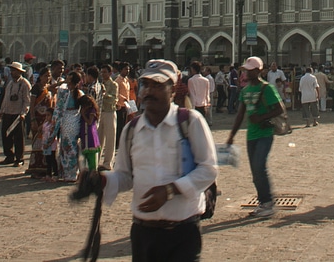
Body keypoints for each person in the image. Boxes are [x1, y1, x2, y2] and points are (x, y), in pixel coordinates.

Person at [99, 59, 218, 260]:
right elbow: (125, 177)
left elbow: (208, 169)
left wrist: (171, 190)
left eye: (158, 85)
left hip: (183, 232)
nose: (149, 91)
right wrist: (103, 181)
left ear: (172, 91)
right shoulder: (132, 129)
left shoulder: (190, 121)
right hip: (143, 232)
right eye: (145, 84)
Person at [227, 55, 285, 218]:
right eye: (246, 70)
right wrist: (232, 135)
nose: (247, 73)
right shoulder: (245, 90)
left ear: (259, 71)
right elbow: (240, 114)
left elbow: (279, 109)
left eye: (250, 70)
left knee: (260, 166)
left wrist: (260, 117)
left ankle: (268, 203)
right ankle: (263, 202)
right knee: (255, 170)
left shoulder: (266, 88)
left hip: (265, 133)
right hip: (251, 135)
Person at [0, 61, 31, 167]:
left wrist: (23, 113)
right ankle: (9, 156)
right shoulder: (10, 83)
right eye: (11, 70)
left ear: (19, 72)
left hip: (18, 114)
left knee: (18, 138)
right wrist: (1, 111)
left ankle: (19, 158)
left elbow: (27, 100)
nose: (12, 73)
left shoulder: (24, 84)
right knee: (6, 135)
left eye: (14, 71)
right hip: (8, 112)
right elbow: (6, 98)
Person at [54, 69, 84, 182]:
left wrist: (62, 83)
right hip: (74, 120)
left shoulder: (65, 93)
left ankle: (69, 173)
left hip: (67, 119)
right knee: (72, 146)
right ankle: (72, 172)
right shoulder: (79, 93)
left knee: (68, 147)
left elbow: (51, 88)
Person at [28, 70, 55, 178]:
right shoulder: (36, 88)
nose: (47, 78)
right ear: (40, 76)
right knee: (37, 144)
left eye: (49, 76)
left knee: (46, 143)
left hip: (46, 120)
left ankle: (44, 168)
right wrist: (33, 119)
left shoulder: (48, 88)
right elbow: (32, 104)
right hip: (37, 119)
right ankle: (35, 168)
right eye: (45, 76)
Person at [97, 64, 118, 171]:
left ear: (110, 73)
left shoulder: (113, 85)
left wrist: (104, 94)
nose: (102, 74)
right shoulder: (99, 84)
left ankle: (107, 163)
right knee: (99, 138)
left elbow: (114, 99)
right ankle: (96, 161)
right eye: (101, 72)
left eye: (105, 72)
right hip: (100, 113)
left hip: (110, 112)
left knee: (110, 139)